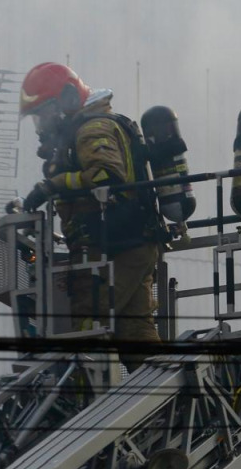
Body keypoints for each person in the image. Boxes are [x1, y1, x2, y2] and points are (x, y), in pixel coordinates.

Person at [17, 62, 163, 344]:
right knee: (136, 334)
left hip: (115, 248)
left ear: (68, 100)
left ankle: (85, 378)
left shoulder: (91, 129)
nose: (41, 125)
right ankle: (167, 376)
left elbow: (106, 175)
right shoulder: (86, 128)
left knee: (89, 326)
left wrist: (52, 186)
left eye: (44, 115)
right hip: (130, 245)